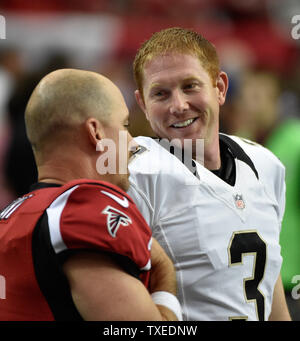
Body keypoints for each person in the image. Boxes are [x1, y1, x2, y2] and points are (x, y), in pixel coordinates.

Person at [127, 27, 291, 321]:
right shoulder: (137, 172)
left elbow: (269, 279)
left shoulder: (265, 165)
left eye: (190, 86)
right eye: (161, 93)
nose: (178, 105)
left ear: (220, 88)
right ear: (143, 104)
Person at [0, 68, 182, 321]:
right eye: (124, 125)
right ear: (96, 132)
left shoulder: (12, 215)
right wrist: (164, 273)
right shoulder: (84, 211)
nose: (133, 143)